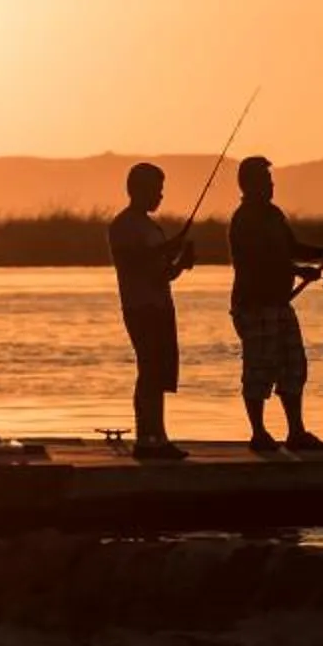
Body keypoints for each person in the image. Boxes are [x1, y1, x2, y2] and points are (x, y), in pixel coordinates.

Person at [228, 155, 323, 453]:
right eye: (265, 180)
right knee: (259, 367)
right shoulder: (244, 220)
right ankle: (259, 433)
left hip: (279, 303)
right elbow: (260, 260)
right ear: (249, 184)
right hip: (254, 305)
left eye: (271, 180)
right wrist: (298, 271)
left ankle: (296, 432)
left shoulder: (274, 215)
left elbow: (290, 248)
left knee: (294, 366)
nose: (271, 185)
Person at [108, 161, 197, 460]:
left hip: (160, 306)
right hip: (140, 307)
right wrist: (168, 248)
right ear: (138, 190)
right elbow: (132, 262)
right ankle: (146, 439)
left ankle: (158, 436)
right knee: (148, 370)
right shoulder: (122, 225)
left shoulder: (152, 227)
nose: (161, 196)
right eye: (156, 190)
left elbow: (161, 274)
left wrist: (180, 264)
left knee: (158, 373)